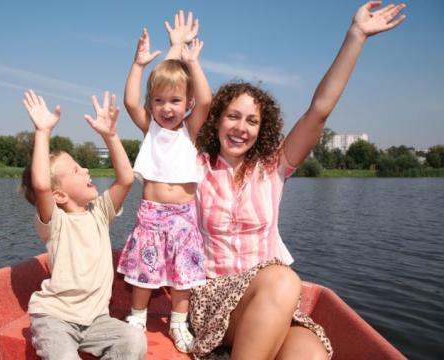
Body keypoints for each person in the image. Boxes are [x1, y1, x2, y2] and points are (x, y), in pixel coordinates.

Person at [189, 2, 406, 359]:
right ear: (217, 121)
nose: (241, 128)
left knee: (311, 352)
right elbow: (193, 108)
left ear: (262, 129)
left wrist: (356, 37)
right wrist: (189, 61)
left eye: (252, 121)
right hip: (212, 298)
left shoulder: (273, 168)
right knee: (284, 278)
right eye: (233, 116)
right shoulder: (198, 166)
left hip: (270, 301)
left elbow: (319, 110)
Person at [21, 89, 146, 360]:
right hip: (55, 318)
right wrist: (42, 132)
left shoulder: (99, 212)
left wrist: (111, 136)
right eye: (77, 170)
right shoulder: (55, 223)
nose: (87, 170)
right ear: (60, 196)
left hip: (96, 321)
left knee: (134, 340)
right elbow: (41, 185)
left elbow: (125, 179)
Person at [116, 10, 211, 353]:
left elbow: (207, 99)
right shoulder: (151, 129)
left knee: (183, 277)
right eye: (158, 101)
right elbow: (130, 100)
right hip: (151, 214)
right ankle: (137, 319)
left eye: (175, 101)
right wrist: (138, 64)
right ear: (151, 105)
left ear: (188, 105)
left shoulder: (192, 131)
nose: (167, 108)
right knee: (145, 271)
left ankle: (178, 325)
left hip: (184, 217)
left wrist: (191, 60)